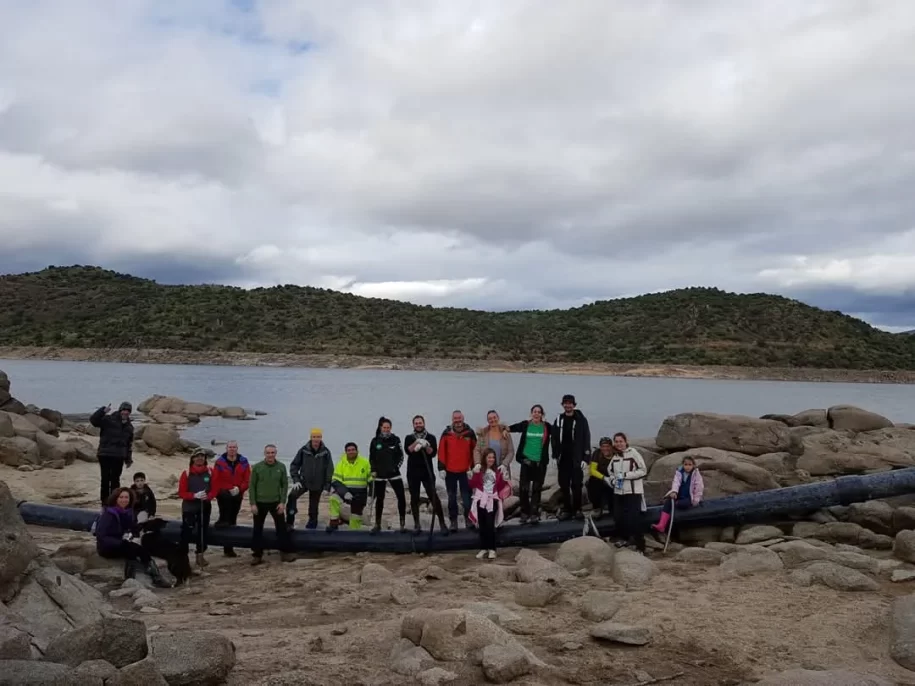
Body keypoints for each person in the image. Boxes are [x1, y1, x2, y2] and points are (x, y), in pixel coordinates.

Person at [95, 487, 169, 587]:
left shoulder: (127, 512)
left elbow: (132, 527)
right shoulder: (109, 514)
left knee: (141, 550)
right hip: (106, 547)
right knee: (130, 549)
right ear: (115, 498)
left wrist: (146, 526)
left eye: (126, 497)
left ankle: (156, 577)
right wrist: (120, 542)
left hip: (119, 542)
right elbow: (101, 535)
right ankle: (130, 579)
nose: (124, 500)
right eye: (121, 497)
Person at [249, 444, 295, 565]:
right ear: (264, 454)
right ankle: (257, 555)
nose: (270, 455)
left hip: (276, 503)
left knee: (281, 528)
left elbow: (284, 485)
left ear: (276, 453)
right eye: (268, 453)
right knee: (257, 529)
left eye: (272, 453)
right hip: (260, 503)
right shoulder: (257, 467)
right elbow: (252, 486)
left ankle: (285, 553)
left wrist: (282, 502)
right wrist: (253, 503)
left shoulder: (281, 466)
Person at [404, 415, 448, 535]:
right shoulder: (409, 437)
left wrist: (426, 444)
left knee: (433, 496)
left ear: (424, 423)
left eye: (420, 423)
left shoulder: (431, 437)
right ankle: (417, 524)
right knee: (414, 498)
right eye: (416, 423)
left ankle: (442, 524)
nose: (418, 425)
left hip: (427, 471)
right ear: (413, 425)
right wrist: (417, 442)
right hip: (413, 472)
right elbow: (408, 450)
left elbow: (432, 453)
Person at [508, 404, 551, 524]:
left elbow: (559, 433)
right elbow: (511, 428)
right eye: (534, 412)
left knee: (537, 488)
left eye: (539, 412)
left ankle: (534, 513)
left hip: (539, 463)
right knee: (524, 488)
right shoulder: (526, 424)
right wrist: (504, 431)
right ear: (531, 413)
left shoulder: (546, 426)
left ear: (542, 415)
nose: (536, 414)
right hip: (526, 461)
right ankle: (524, 512)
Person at [551, 394, 590, 520]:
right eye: (566, 403)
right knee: (564, 485)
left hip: (577, 458)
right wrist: (554, 455)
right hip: (563, 458)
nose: (568, 405)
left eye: (570, 403)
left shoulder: (581, 420)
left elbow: (586, 438)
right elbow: (554, 438)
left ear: (574, 405)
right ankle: (567, 509)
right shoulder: (559, 419)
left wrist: (586, 458)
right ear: (562, 405)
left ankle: (578, 509)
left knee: (577, 485)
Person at [607, 433, 648, 552]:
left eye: (621, 441)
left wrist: (626, 475)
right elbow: (610, 472)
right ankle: (625, 539)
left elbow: (643, 470)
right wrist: (613, 480)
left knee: (634, 518)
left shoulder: (633, 453)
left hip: (633, 491)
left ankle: (641, 546)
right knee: (619, 517)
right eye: (616, 441)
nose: (619, 444)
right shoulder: (615, 456)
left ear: (625, 442)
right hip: (619, 492)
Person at [286, 429, 334, 530]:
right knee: (292, 496)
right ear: (311, 437)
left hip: (318, 483)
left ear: (321, 438)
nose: (316, 439)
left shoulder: (326, 452)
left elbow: (329, 470)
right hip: (303, 481)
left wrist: (327, 486)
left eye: (318, 437)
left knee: (313, 506)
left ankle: (312, 524)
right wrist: (296, 479)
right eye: (314, 437)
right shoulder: (304, 450)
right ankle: (290, 521)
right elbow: (294, 465)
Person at [468, 448, 510, 560]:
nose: (491, 459)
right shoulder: (479, 470)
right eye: (489, 457)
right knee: (482, 525)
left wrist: (505, 479)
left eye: (493, 457)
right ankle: (483, 548)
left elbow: (500, 487)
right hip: (480, 500)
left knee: (490, 525)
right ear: (484, 458)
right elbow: (472, 485)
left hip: (492, 500)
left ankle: (492, 549)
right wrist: (472, 474)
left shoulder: (497, 471)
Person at [438, 410, 477, 532]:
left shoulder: (470, 433)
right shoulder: (446, 434)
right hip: (450, 471)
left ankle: (469, 520)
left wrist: (474, 467)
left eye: (459, 419)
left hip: (466, 471)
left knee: (467, 498)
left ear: (463, 419)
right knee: (451, 498)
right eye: (455, 419)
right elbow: (441, 451)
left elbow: (475, 450)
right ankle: (453, 521)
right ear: (452, 420)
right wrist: (441, 468)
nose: (458, 421)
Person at [178, 448, 217, 568]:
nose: (200, 458)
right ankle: (182, 557)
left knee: (203, 531)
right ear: (192, 459)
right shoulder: (186, 473)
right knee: (186, 532)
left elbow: (215, 488)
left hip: (204, 506)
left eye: (202, 456)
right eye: (197, 456)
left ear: (205, 458)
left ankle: (200, 555)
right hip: (189, 507)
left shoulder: (210, 471)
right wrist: (194, 495)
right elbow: (181, 492)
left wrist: (208, 496)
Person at [211, 440, 251, 558]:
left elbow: (247, 479)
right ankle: (226, 546)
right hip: (223, 495)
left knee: (233, 519)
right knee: (225, 518)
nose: (232, 449)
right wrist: (224, 490)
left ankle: (229, 548)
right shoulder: (220, 462)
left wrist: (239, 488)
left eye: (234, 447)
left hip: (237, 494)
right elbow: (216, 479)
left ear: (237, 449)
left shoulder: (244, 461)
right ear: (226, 448)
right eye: (230, 447)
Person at [90, 402, 134, 506]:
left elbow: (128, 444)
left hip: (119, 456)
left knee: (115, 481)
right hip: (105, 454)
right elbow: (93, 421)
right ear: (120, 410)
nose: (125, 412)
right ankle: (105, 503)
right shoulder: (108, 419)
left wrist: (128, 459)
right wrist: (102, 411)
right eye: (124, 410)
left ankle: (114, 503)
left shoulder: (129, 426)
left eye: (128, 411)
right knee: (105, 480)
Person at [651, 455, 704, 539]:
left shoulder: (696, 474)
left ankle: (676, 505)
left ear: (693, 465)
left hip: (688, 497)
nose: (687, 467)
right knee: (668, 502)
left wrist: (696, 500)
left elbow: (699, 487)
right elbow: (676, 483)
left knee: (683, 504)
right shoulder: (679, 472)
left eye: (690, 465)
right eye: (685, 464)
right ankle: (661, 525)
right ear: (683, 465)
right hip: (680, 494)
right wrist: (674, 492)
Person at [369, 417, 407, 533]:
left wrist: (395, 467)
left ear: (391, 428)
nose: (386, 429)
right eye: (384, 427)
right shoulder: (375, 441)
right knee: (380, 499)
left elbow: (401, 456)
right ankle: (377, 524)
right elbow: (372, 458)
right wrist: (373, 470)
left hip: (394, 474)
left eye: (388, 427)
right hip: (379, 475)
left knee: (401, 497)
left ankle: (402, 524)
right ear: (381, 428)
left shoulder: (395, 439)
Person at [327, 442, 372, 532]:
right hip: (345, 492)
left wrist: (371, 495)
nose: (351, 452)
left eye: (353, 450)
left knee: (355, 518)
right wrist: (345, 493)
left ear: (357, 451)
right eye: (349, 450)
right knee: (333, 498)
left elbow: (371, 481)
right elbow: (335, 481)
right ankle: (334, 523)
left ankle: (354, 533)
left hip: (360, 494)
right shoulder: (341, 463)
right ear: (346, 452)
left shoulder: (365, 462)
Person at [473, 410, 515, 476]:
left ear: (498, 418)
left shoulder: (506, 434)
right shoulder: (483, 434)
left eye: (494, 417)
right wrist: (477, 463)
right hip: (486, 470)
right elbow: (477, 450)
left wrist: (504, 464)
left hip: (502, 470)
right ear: (488, 421)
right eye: (490, 418)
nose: (493, 420)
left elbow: (511, 451)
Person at [586, 438, 615, 518]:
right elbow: (592, 470)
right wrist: (604, 478)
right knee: (592, 481)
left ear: (611, 446)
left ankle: (613, 507)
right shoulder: (597, 453)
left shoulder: (615, 454)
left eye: (607, 446)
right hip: (600, 479)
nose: (605, 449)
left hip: (613, 478)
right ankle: (597, 508)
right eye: (603, 446)